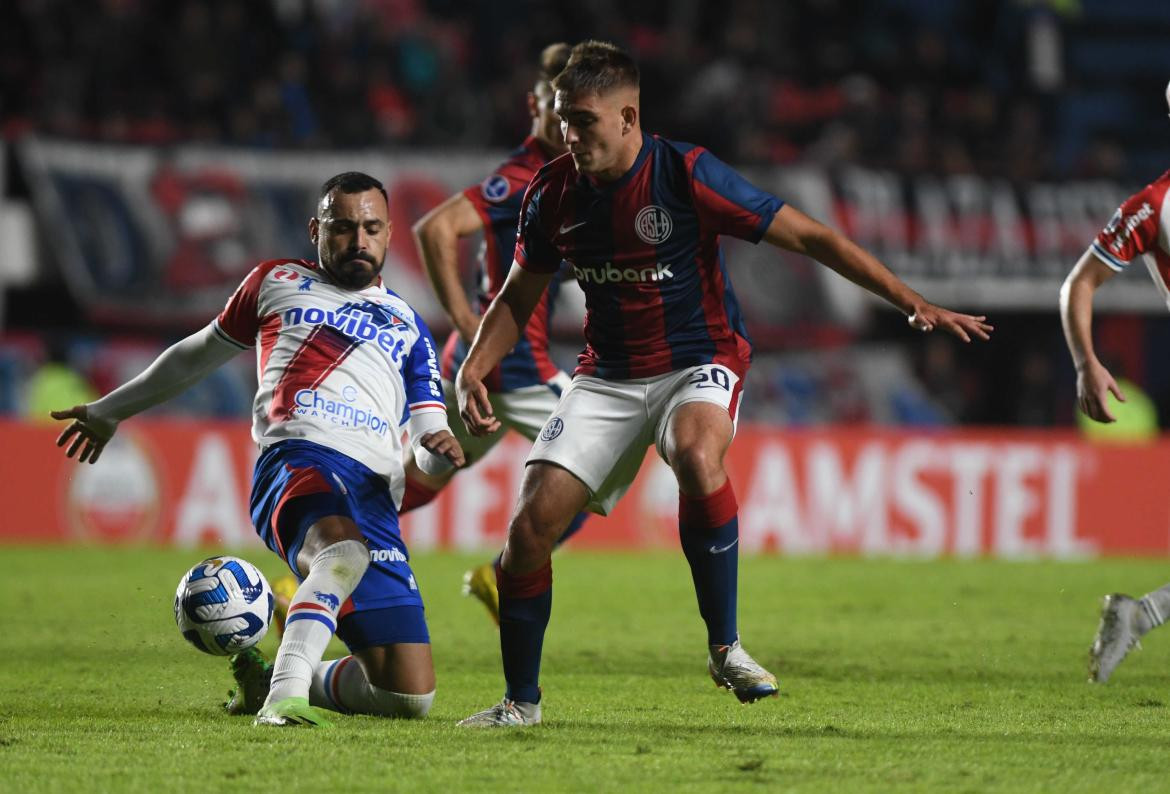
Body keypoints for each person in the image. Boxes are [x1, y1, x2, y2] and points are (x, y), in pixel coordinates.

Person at [455, 41, 993, 727]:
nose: (569, 134)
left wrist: (909, 298)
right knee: (528, 532)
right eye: (563, 118)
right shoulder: (553, 191)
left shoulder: (686, 173)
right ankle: (519, 704)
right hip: (607, 376)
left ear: (627, 117)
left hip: (697, 359)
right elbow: (516, 296)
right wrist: (475, 362)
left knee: (695, 452)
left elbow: (812, 236)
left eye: (583, 120)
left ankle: (725, 646)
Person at [51, 172, 465, 726]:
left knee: (405, 695)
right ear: (317, 230)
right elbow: (194, 355)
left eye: (371, 228)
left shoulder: (411, 328)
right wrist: (109, 410)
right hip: (298, 460)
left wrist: (441, 450)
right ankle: (283, 699)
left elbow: (429, 439)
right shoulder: (276, 281)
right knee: (340, 554)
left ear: (390, 233)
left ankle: (267, 678)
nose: (358, 241)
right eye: (343, 228)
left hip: (373, 494)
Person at [401, 42, 588, 624]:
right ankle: (505, 573)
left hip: (480, 365)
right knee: (597, 465)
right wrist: (467, 325)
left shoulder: (567, 177)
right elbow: (435, 228)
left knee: (421, 480)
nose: (560, 124)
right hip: (513, 362)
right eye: (552, 109)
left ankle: (315, 551)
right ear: (534, 104)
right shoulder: (521, 176)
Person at [1061, 81, 1170, 683]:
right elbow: (1080, 283)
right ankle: (1140, 615)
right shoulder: (1153, 207)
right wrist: (1086, 361)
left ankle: (1139, 615)